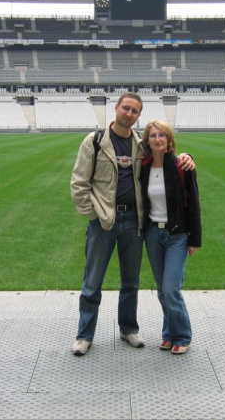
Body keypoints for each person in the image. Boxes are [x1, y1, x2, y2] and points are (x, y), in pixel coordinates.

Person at [70, 92, 194, 356]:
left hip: (134, 222)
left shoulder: (141, 145)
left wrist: (187, 154)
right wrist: (94, 214)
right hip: (103, 222)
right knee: (92, 281)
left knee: (131, 282)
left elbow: (167, 153)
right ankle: (84, 335)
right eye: (125, 108)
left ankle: (128, 329)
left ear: (139, 115)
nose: (129, 113)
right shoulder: (95, 141)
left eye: (135, 111)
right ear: (116, 108)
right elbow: (79, 183)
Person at [140, 120, 201, 355]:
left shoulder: (181, 166)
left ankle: (183, 335)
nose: (157, 139)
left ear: (169, 139)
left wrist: (195, 239)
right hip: (153, 234)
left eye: (162, 135)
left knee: (171, 288)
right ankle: (168, 333)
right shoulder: (144, 167)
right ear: (147, 140)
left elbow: (194, 204)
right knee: (161, 289)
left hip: (177, 235)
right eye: (153, 135)